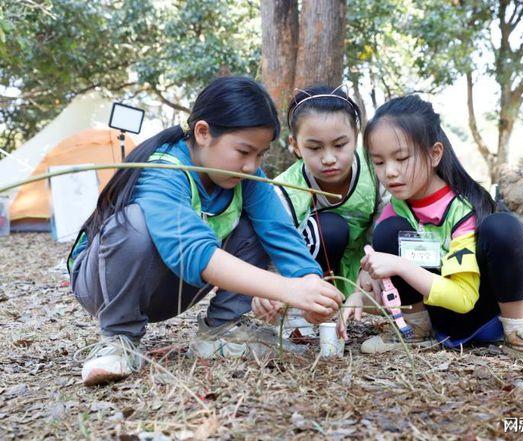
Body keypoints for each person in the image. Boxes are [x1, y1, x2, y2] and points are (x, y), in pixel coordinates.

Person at [68, 76, 343, 386]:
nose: (252, 166)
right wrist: (289, 290)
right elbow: (194, 252)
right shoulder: (163, 171)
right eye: (243, 151)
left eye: (260, 154)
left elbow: (279, 232)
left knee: (257, 223)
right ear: (202, 132)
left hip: (173, 288)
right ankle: (119, 339)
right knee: (133, 223)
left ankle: (221, 329)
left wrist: (312, 286)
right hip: (104, 285)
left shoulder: (245, 177)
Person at [341, 95, 523, 367]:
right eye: (379, 162)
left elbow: (463, 298)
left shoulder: (464, 208)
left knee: (503, 227)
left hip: (487, 313)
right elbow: (380, 274)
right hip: (438, 315)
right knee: (388, 232)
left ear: (434, 154)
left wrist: (401, 266)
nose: (389, 172)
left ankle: (519, 331)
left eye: (401, 158)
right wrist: (360, 288)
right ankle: (416, 330)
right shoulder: (397, 209)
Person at [252, 85, 384, 324]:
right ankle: (305, 313)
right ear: (295, 144)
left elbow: (383, 225)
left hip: (367, 275)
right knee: (330, 227)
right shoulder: (284, 190)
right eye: (315, 147)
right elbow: (275, 245)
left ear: (356, 136)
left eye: (340, 145)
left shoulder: (375, 170)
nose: (329, 158)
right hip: (309, 276)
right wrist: (271, 289)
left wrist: (369, 268)